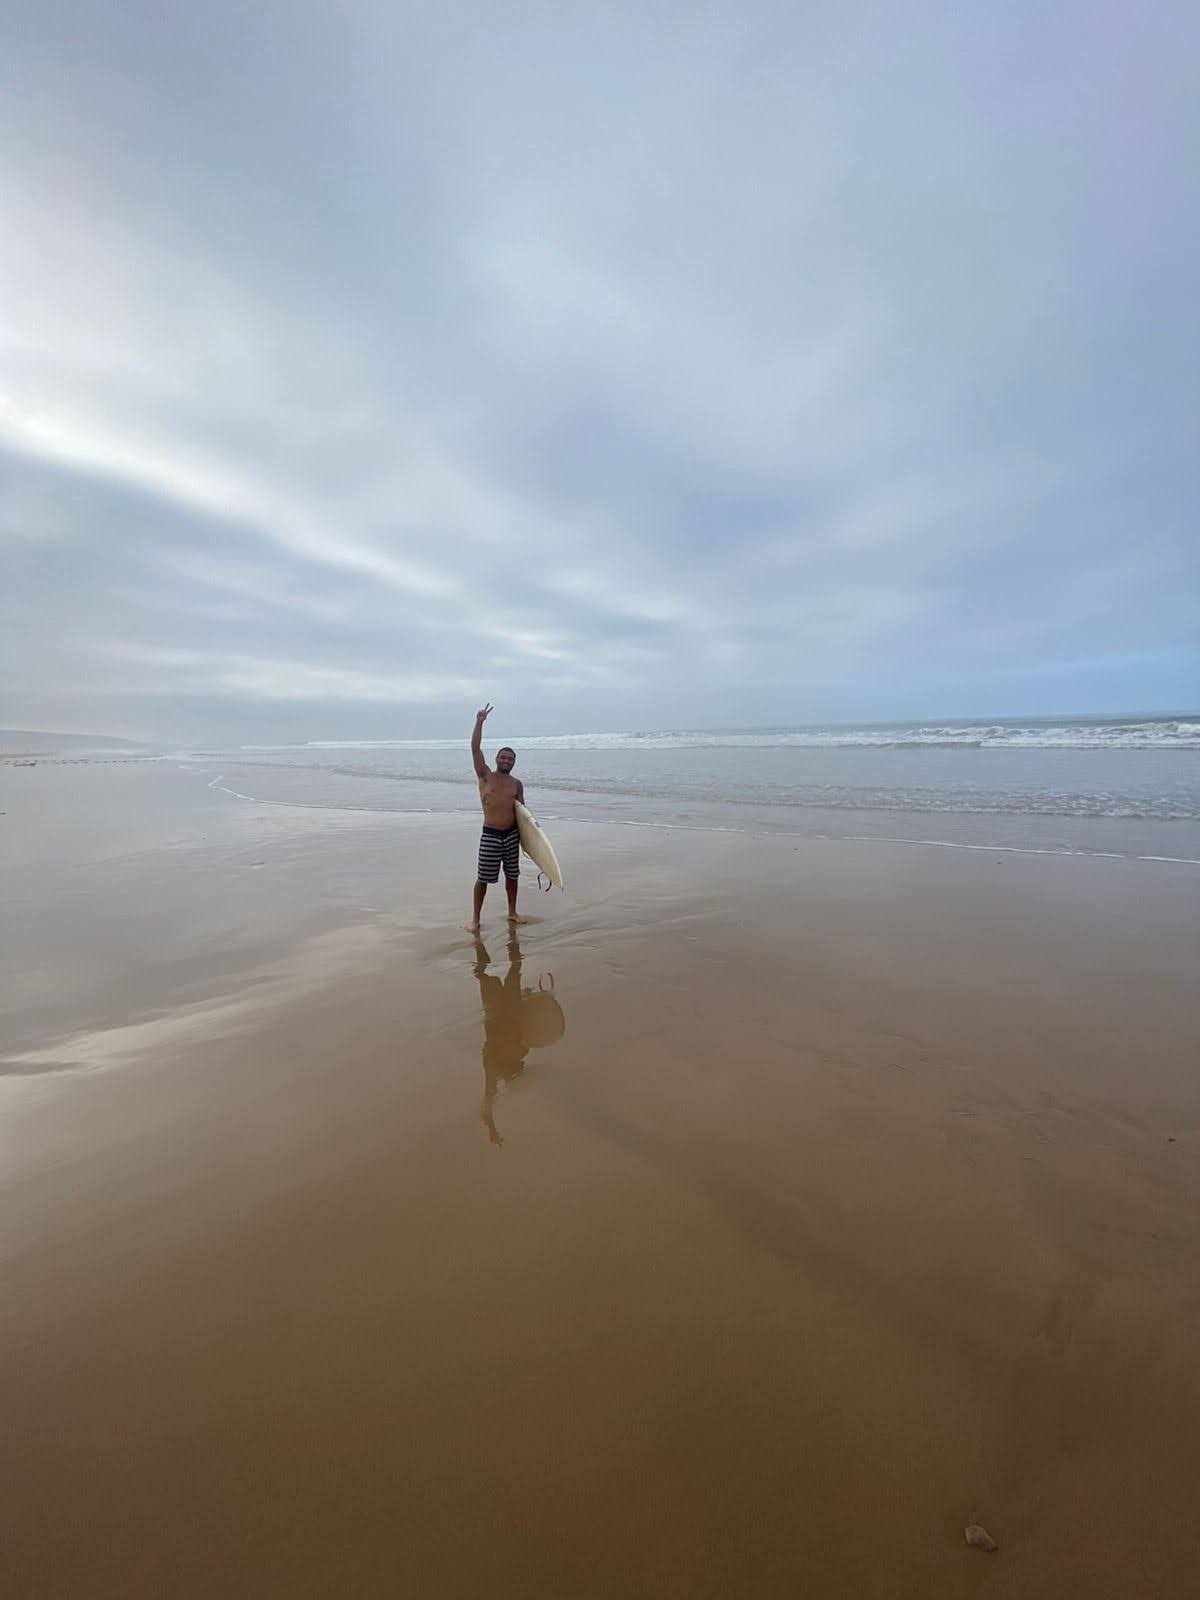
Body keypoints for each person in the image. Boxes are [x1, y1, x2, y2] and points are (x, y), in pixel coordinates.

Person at [466, 703, 528, 933]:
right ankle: (475, 919)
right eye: (503, 757)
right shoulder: (485, 777)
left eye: (510, 759)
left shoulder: (516, 784)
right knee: (483, 878)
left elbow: (524, 815)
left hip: (511, 836)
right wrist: (479, 722)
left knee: (513, 876)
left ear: (514, 762)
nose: (506, 761)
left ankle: (512, 912)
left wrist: (527, 842)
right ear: (496, 759)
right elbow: (474, 749)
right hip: (490, 835)